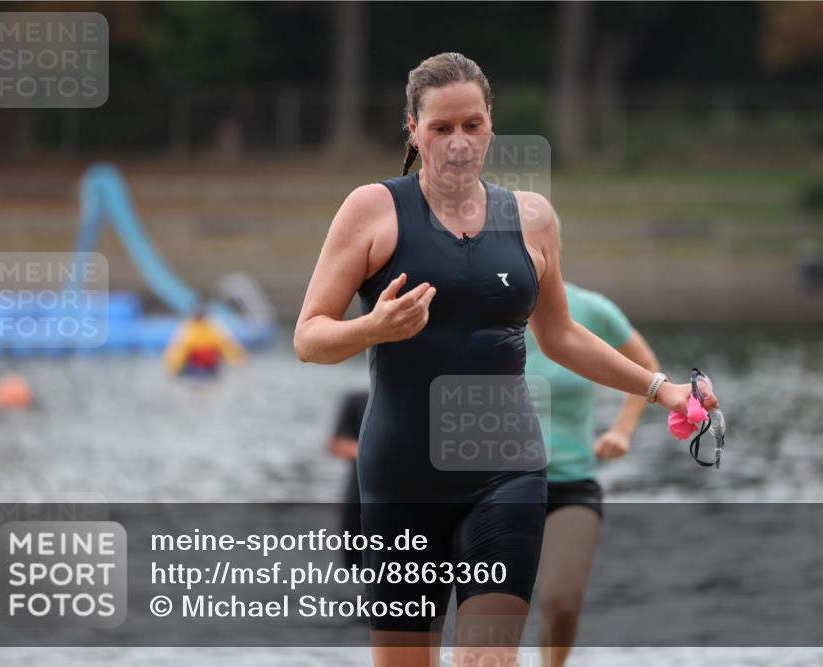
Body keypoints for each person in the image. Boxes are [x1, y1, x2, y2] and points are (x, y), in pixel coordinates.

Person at [294, 52, 718, 667]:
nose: (458, 143)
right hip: (399, 481)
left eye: (472, 125)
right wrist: (373, 327)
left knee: (486, 660)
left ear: (491, 124)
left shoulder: (533, 220)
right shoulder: (372, 210)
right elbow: (309, 337)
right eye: (441, 128)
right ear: (412, 129)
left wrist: (663, 389)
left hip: (505, 472)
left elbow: (562, 336)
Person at [527, 281, 659, 667]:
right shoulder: (479, 300)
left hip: (571, 482)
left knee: (561, 600)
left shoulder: (592, 309)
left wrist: (622, 430)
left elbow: (648, 369)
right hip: (493, 484)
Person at [328, 389, 369, 570]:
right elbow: (336, 444)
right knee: (353, 565)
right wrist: (377, 451)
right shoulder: (357, 399)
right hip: (359, 491)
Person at [163, 303, 246, 377]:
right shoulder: (187, 327)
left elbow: (228, 343)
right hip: (193, 365)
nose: (200, 317)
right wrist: (173, 367)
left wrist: (237, 361)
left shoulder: (215, 325)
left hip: (210, 364)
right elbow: (177, 347)